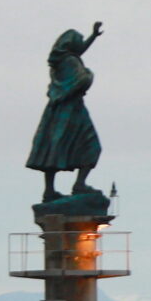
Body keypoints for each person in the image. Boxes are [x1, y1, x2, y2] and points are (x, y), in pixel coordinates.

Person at [28, 21, 105, 203]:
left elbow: (80, 53)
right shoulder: (70, 61)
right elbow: (82, 80)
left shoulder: (61, 61)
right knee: (91, 145)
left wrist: (93, 36)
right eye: (79, 40)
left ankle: (50, 190)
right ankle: (79, 184)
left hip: (58, 111)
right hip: (72, 111)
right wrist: (89, 73)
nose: (80, 43)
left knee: (53, 148)